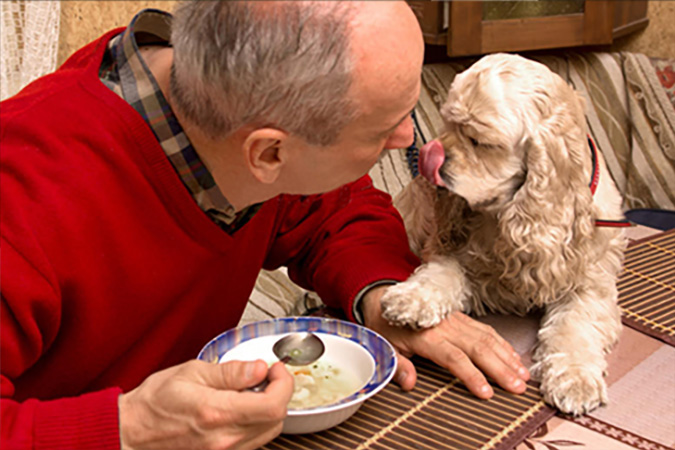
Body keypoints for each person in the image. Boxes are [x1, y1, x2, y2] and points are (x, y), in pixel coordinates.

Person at [0, 2, 530, 449]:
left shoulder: (223, 114)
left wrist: (383, 293)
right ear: (269, 153)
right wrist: (132, 426)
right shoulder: (23, 201)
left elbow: (335, 209)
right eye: (383, 127)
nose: (407, 138)